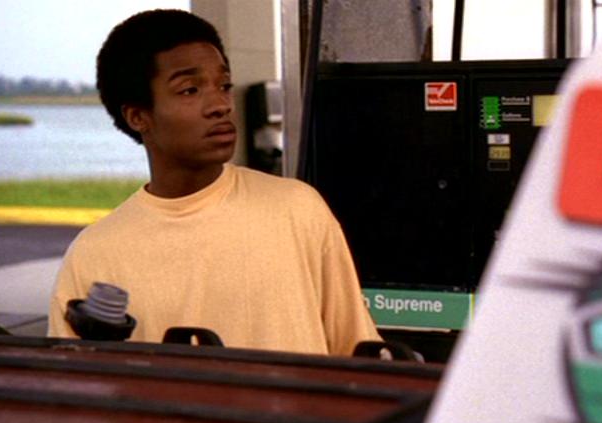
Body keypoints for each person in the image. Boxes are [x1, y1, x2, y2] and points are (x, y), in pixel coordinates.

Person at [47, 9, 380, 356]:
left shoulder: (297, 208)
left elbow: (359, 354)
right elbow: (76, 380)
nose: (221, 105)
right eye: (190, 90)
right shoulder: (94, 254)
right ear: (138, 116)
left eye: (224, 86)